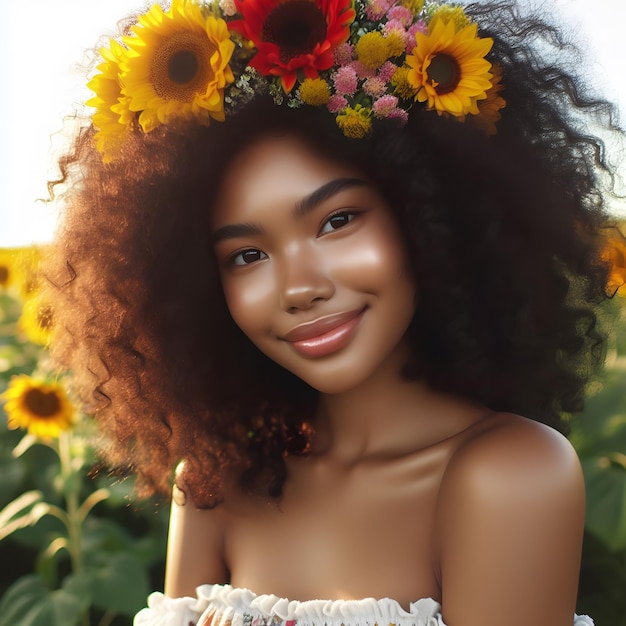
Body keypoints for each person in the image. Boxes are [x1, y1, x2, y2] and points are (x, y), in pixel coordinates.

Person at [42, 0, 622, 624]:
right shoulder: (215, 486)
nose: (298, 287)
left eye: (337, 220)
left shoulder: (509, 477)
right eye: (247, 255)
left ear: (431, 216)